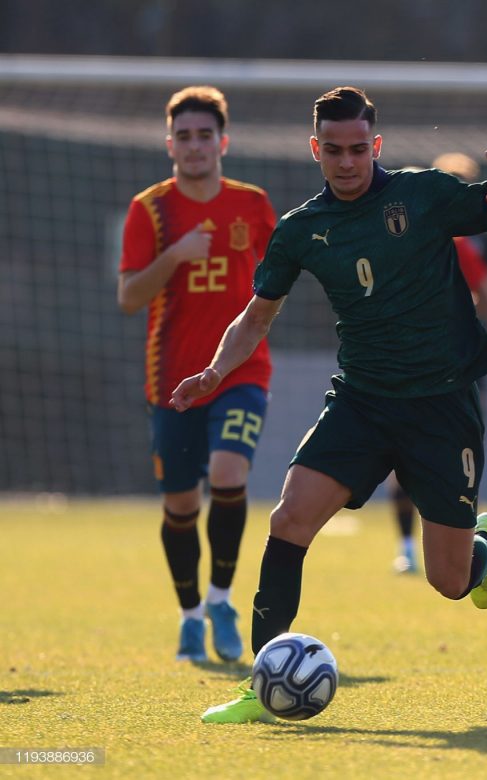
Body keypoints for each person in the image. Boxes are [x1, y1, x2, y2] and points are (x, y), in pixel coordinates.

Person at [172, 86, 487, 724]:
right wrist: (216, 370)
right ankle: (261, 680)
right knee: (290, 519)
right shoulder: (300, 230)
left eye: (357, 149)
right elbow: (255, 317)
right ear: (314, 149)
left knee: (450, 581)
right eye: (333, 150)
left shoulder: (425, 193)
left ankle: (483, 547)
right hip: (362, 400)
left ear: (374, 146)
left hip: (441, 404)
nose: (346, 162)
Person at [117, 86, 276, 664]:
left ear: (222, 142)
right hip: (171, 382)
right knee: (181, 505)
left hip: (239, 371)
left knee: (229, 474)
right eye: (183, 136)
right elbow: (130, 297)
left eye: (204, 134)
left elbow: (279, 276)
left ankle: (221, 600)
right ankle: (188, 617)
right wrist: (175, 255)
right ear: (170, 145)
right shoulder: (149, 210)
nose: (194, 145)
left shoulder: (253, 205)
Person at [388, 152, 487, 575]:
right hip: (400, 372)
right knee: (400, 462)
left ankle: (470, 544)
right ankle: (410, 547)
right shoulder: (377, 243)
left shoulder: (461, 243)